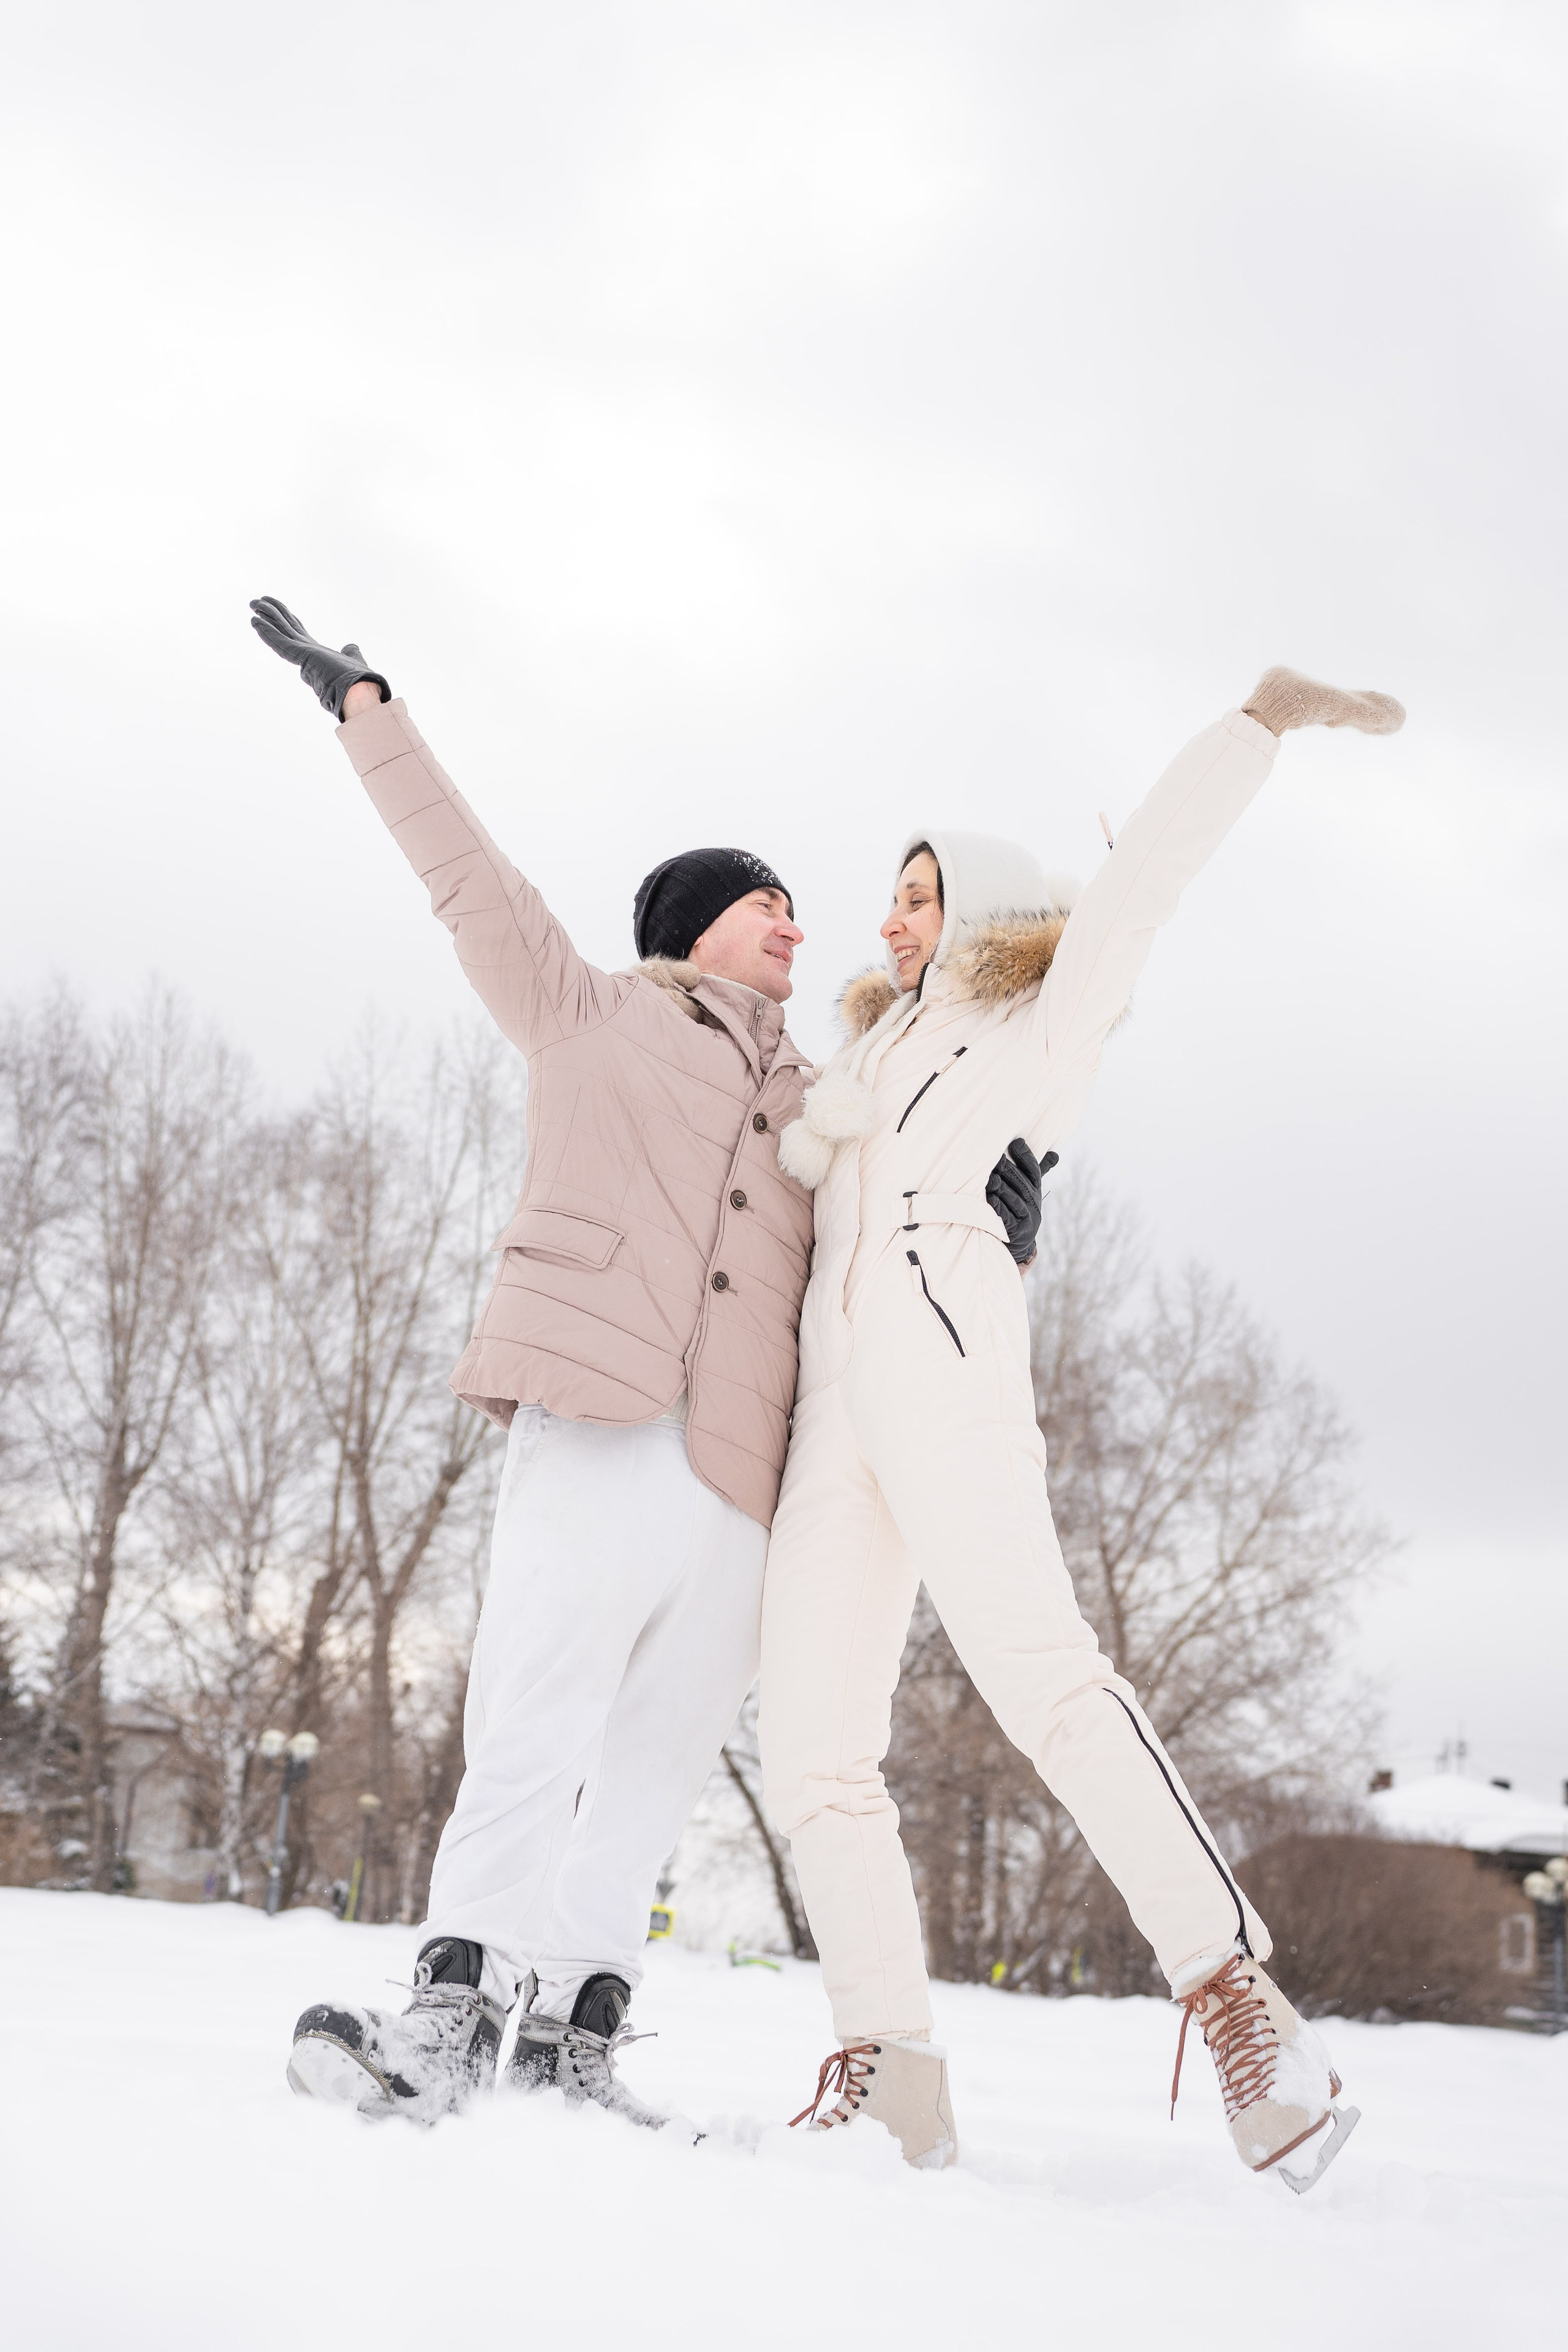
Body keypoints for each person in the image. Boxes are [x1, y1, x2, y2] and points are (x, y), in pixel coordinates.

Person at [247, 597, 1045, 2128]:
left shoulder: (832, 1100)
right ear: (692, 921)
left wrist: (1004, 1228)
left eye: (800, 912)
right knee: (532, 1723)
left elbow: (907, 1232)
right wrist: (367, 709)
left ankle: (573, 2034)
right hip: (602, 1421)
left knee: (659, 1768)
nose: (799, 929)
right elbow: (465, 878)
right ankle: (447, 2014)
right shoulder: (588, 1016)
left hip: (742, 1478)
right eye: (771, 906)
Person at [759, 666, 1404, 2192]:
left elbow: (1135, 892)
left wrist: (1251, 724)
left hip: (945, 1376)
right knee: (809, 1754)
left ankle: (1237, 1997)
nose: (891, 918)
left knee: (1045, 1681)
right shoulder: (849, 1068)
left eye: (920, 896)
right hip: (827, 1420)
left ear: (977, 912)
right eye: (888, 896)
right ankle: (891, 2072)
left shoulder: (1038, 1027)